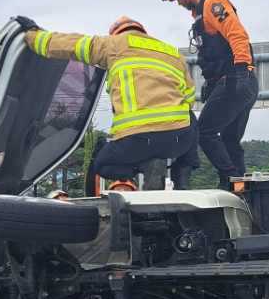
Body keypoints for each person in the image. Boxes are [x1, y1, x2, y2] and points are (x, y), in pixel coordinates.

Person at [16, 14, 199, 190]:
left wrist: (32, 34)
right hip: (178, 139)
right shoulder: (171, 52)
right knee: (189, 117)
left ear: (116, 32)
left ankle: (143, 167)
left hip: (137, 140)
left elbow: (68, 44)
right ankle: (182, 173)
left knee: (102, 165)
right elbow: (189, 97)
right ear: (142, 31)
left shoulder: (113, 44)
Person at [159, 0, 258, 190]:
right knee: (230, 141)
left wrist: (241, 71)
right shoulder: (200, 14)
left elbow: (238, 35)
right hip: (238, 81)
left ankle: (229, 179)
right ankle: (239, 188)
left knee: (205, 132)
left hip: (237, 79)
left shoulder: (213, 4)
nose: (177, 2)